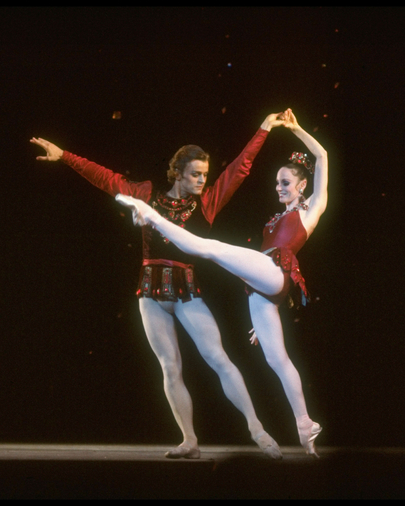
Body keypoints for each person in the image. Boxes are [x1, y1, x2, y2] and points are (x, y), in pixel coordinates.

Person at [30, 111, 288, 460]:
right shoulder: (146, 193)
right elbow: (106, 178)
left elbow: (239, 169)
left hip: (187, 292)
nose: (201, 181)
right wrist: (65, 157)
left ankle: (257, 429)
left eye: (205, 175)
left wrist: (263, 129)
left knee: (218, 358)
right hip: (150, 293)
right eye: (195, 175)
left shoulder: (207, 203)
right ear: (178, 173)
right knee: (170, 366)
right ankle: (189, 441)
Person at [115, 109, 328, 457]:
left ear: (302, 185)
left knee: (209, 248)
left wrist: (296, 128)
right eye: (277, 183)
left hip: (273, 274)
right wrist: (267, 308)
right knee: (277, 359)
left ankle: (149, 216)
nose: (279, 187)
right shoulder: (276, 218)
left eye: (285, 182)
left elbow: (321, 157)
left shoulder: (312, 208)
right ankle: (305, 426)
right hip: (261, 286)